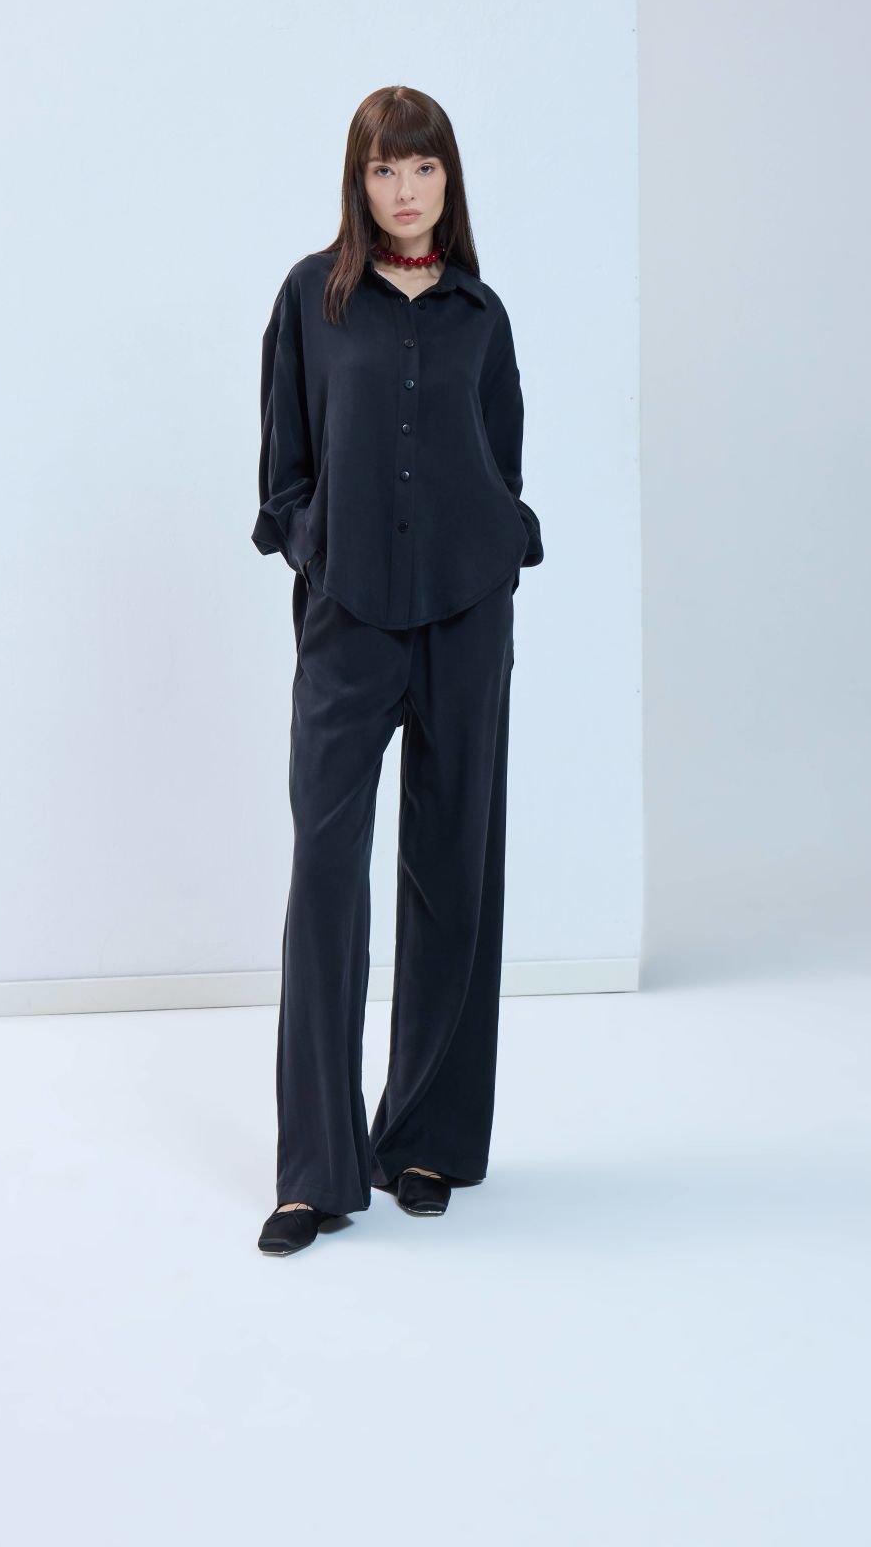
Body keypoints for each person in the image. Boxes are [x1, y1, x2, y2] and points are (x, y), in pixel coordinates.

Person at [252, 86, 544, 1256]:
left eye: (422, 168)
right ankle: (315, 1173)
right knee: (327, 873)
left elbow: (501, 459)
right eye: (384, 170)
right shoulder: (311, 300)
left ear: (447, 180)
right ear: (358, 182)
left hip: (466, 614)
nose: (405, 189)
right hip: (350, 617)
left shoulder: (480, 314)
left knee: (451, 870)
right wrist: (317, 547)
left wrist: (498, 545)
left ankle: (426, 1140)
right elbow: (284, 470)